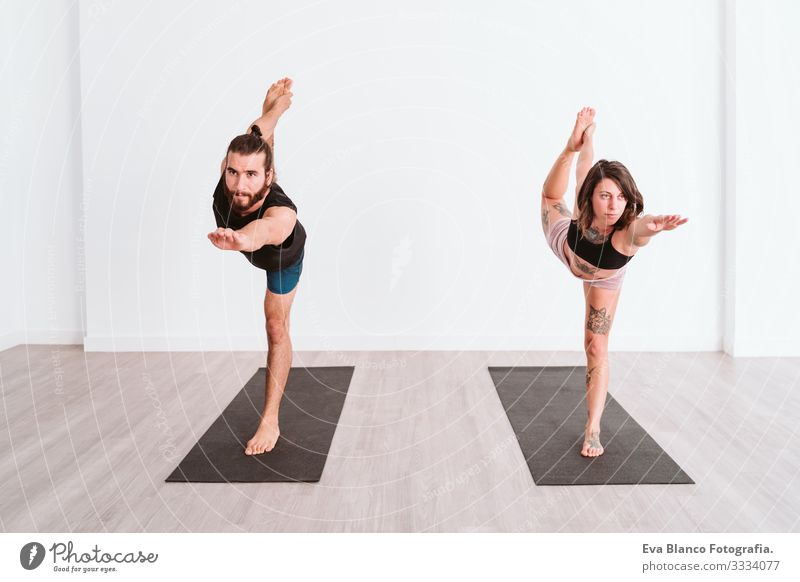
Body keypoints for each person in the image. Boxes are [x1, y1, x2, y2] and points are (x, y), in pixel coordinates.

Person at [540, 107, 688, 457]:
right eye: (605, 195)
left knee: (596, 345)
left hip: (604, 280)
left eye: (621, 198)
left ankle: (592, 428)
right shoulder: (582, 202)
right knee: (552, 193)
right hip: (567, 246)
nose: (613, 205)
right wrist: (581, 141)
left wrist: (653, 225)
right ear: (592, 196)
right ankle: (572, 142)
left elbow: (640, 227)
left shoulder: (626, 234)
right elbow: (584, 170)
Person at [208, 78, 306, 455]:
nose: (238, 184)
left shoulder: (283, 214)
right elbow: (257, 134)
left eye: (251, 175)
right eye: (234, 172)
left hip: (281, 254)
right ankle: (276, 111)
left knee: (275, 325)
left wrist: (241, 241)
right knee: (261, 133)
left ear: (269, 178)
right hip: (247, 235)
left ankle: (271, 419)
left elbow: (263, 232)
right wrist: (273, 109)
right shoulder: (231, 172)